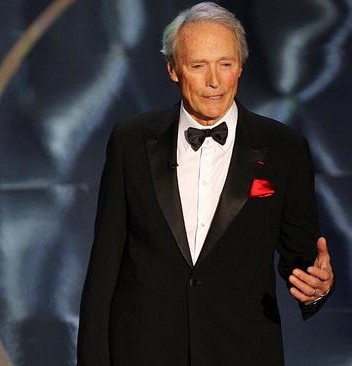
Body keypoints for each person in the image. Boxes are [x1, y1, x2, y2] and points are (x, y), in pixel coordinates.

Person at [77, 2, 334, 365]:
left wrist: (316, 289)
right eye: (199, 66)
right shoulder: (131, 141)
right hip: (144, 351)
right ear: (173, 70)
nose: (214, 81)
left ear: (240, 66)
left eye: (225, 64)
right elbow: (104, 268)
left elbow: (302, 257)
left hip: (242, 352)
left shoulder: (283, 148)